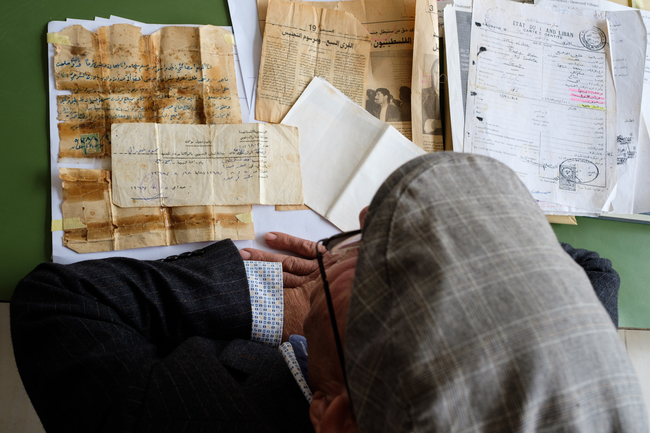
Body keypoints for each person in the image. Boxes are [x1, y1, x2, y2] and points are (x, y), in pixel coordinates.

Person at [11, 153, 646, 432]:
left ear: (333, 414)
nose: (367, 227)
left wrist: (271, 303)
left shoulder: (177, 415)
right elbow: (596, 270)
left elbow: (57, 304)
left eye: (378, 284)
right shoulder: (575, 390)